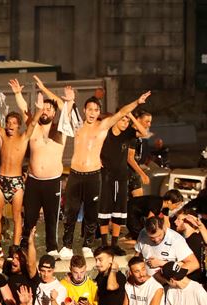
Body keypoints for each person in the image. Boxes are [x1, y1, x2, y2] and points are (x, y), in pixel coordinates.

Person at [60, 90, 150, 259]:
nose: (92, 113)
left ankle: (87, 244)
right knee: (71, 211)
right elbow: (61, 106)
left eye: (96, 110)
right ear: (84, 110)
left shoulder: (103, 126)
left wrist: (137, 102)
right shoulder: (78, 124)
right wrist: (70, 101)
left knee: (92, 212)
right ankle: (67, 245)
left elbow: (123, 112)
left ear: (99, 112)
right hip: (76, 173)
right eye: (89, 109)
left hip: (94, 175)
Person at [22, 77, 75, 257]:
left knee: (52, 218)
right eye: (43, 108)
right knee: (29, 217)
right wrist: (16, 93)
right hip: (33, 182)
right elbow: (23, 110)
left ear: (54, 113)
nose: (45, 111)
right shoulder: (33, 128)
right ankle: (24, 247)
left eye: (49, 109)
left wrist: (67, 100)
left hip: (52, 182)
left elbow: (65, 111)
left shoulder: (61, 131)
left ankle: (52, 248)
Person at [0, 88, 44, 254]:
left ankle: (14, 246)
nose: (9, 126)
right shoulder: (2, 137)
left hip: (16, 182)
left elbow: (33, 124)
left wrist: (39, 110)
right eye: (8, 123)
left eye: (13, 123)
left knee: (16, 216)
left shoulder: (23, 138)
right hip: (1, 180)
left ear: (19, 125)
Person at [98, 112, 146, 255]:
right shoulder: (106, 132)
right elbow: (93, 145)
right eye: (123, 120)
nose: (125, 123)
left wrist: (131, 117)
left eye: (127, 121)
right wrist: (97, 159)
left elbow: (144, 132)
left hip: (121, 177)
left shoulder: (128, 133)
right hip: (106, 176)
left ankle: (114, 243)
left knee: (119, 210)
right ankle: (104, 243)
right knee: (104, 210)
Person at [134, 216, 200, 279]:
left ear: (164, 227)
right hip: (145, 280)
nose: (156, 239)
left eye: (159, 235)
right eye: (152, 237)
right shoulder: (143, 233)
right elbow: (138, 254)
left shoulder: (176, 239)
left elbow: (194, 264)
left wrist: (167, 277)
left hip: (166, 284)